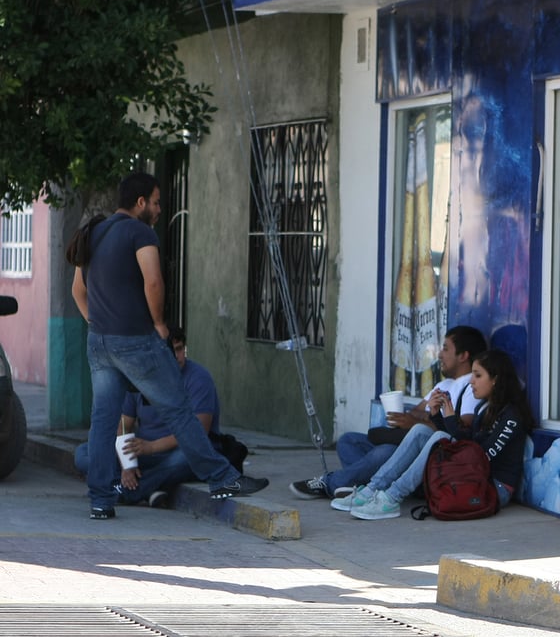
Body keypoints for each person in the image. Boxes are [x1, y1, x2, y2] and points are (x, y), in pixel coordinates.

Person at [71, 173, 268, 519]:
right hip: (136, 340)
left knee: (102, 420)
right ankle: (222, 478)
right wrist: (160, 323)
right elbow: (153, 281)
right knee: (178, 409)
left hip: (99, 342)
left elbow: (78, 291)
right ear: (141, 202)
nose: (160, 209)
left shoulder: (94, 232)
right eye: (157, 201)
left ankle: (100, 500)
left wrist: (98, 324)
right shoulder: (140, 232)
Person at [289, 325, 487, 500]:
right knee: (348, 441)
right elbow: (417, 411)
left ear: (463, 356)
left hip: (426, 453)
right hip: (406, 441)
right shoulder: (444, 384)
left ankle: (330, 483)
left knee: (384, 452)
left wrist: (417, 422)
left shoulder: (470, 387)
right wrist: (413, 417)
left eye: (445, 348)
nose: (440, 355)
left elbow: (459, 430)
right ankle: (360, 485)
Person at [342, 349, 534, 521]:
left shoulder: (511, 416)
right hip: (475, 475)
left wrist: (450, 420)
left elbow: (480, 456)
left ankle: (392, 497)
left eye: (478, 375)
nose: (471, 381)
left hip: (493, 487)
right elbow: (467, 443)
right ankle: (373, 488)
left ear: (495, 379)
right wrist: (437, 415)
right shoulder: (485, 407)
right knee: (420, 431)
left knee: (439, 438)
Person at [73, 327, 233, 508]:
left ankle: (127, 491)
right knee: (84, 452)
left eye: (180, 349)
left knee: (189, 458)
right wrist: (127, 463)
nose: (177, 356)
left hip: (180, 450)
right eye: (171, 351)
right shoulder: (139, 375)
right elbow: (123, 424)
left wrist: (152, 447)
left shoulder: (199, 378)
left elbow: (200, 430)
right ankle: (143, 488)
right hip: (144, 452)